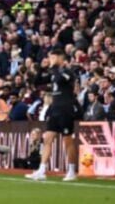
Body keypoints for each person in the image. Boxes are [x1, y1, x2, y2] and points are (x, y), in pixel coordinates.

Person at [29, 48, 79, 182]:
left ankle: (72, 170)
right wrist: (41, 69)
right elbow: (37, 82)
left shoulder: (67, 72)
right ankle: (41, 170)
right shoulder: (53, 73)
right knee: (47, 139)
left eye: (52, 57)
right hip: (55, 108)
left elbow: (61, 79)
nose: (50, 60)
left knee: (67, 140)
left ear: (59, 58)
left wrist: (53, 68)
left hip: (66, 108)